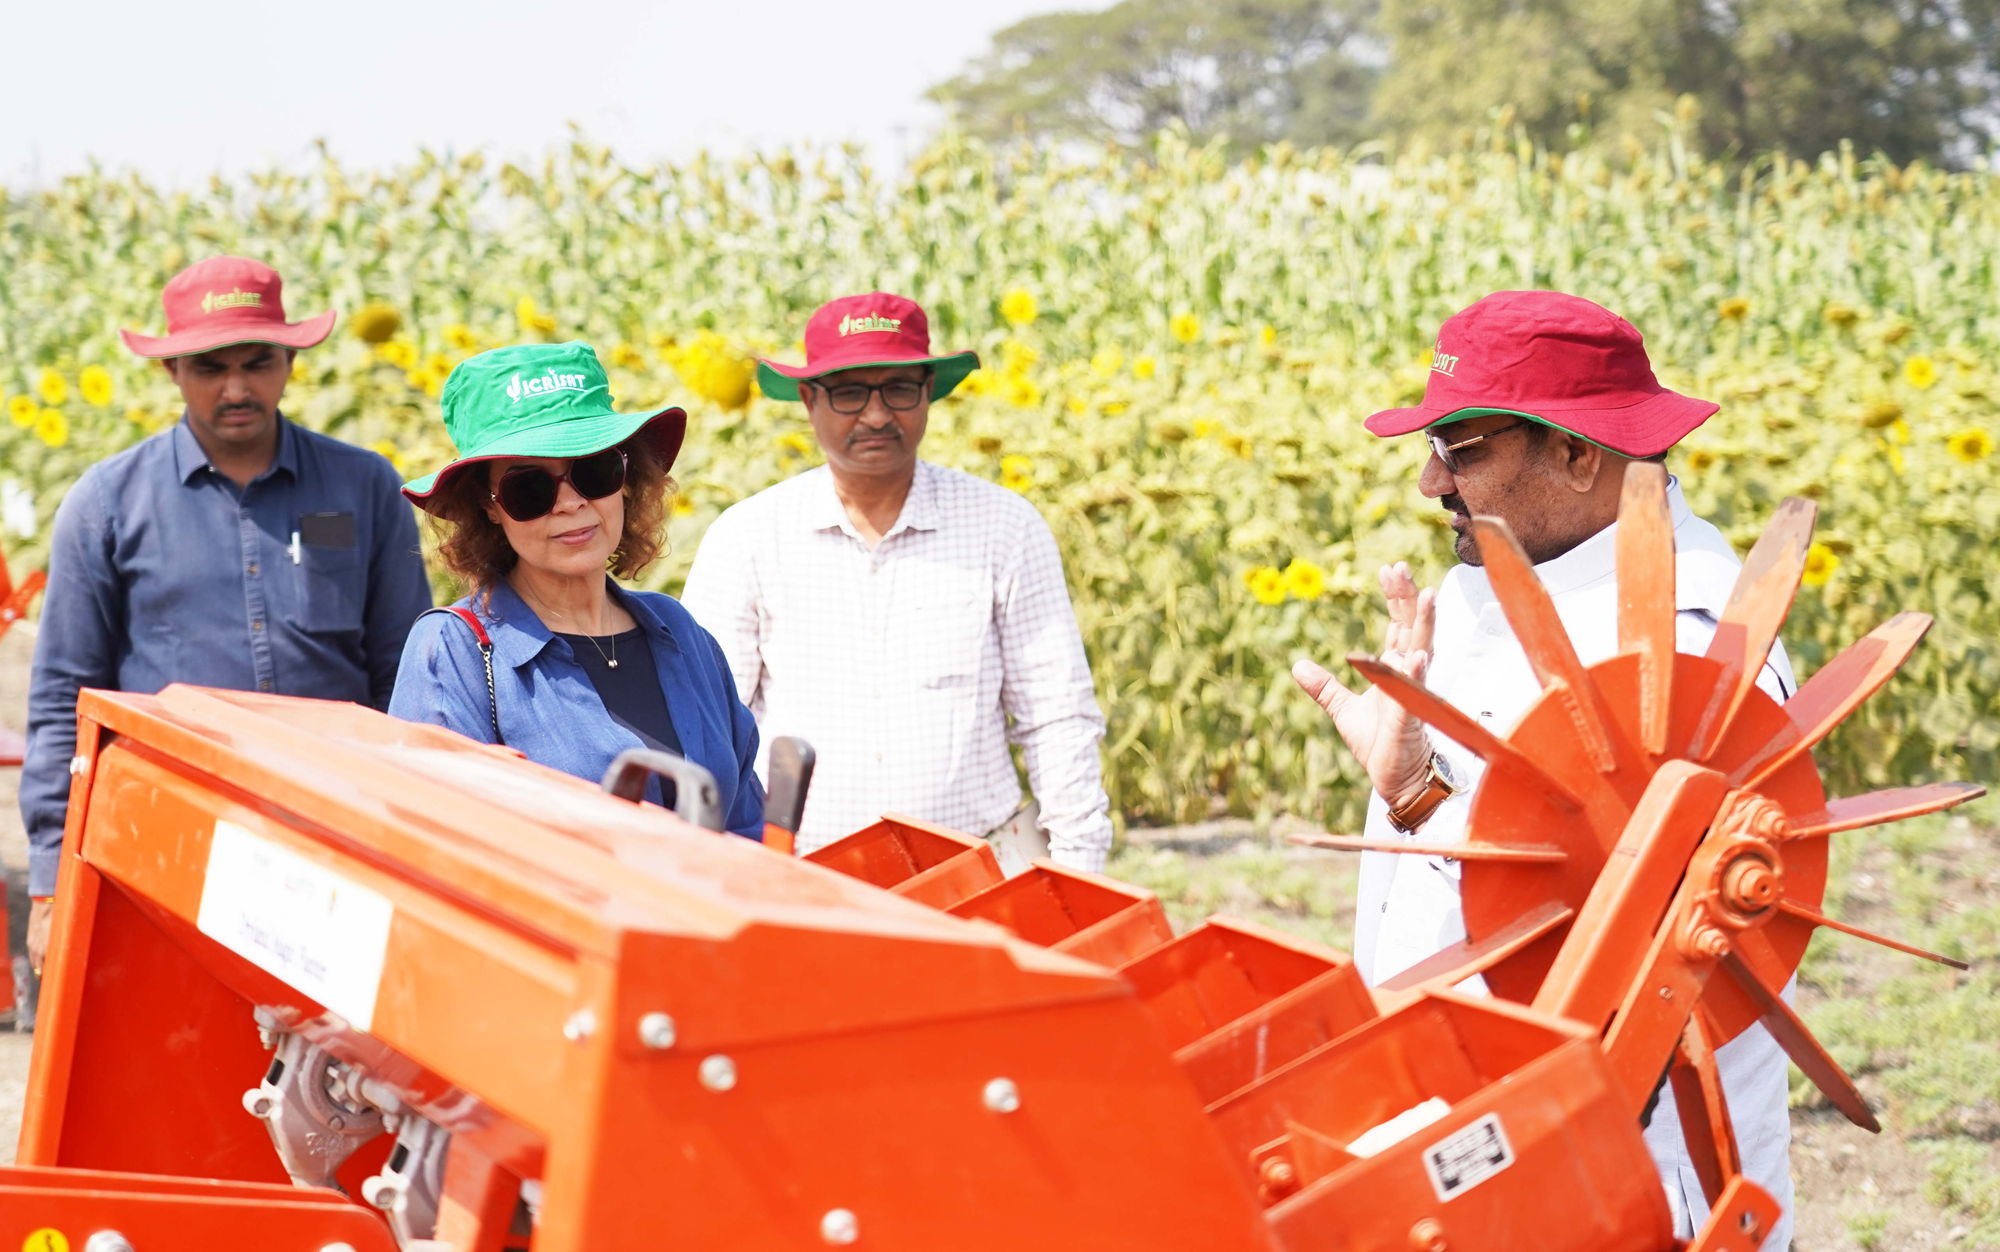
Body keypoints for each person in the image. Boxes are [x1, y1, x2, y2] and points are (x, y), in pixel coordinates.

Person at [1293, 290, 1797, 1248]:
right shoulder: (1496, 573)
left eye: (1462, 448)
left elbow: (1624, 924)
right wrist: (1408, 785)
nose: (1430, 481)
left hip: (1614, 1146)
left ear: (1578, 454)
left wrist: (1419, 798)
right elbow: (1502, 833)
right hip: (1471, 1097)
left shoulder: (1692, 645)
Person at [21, 255, 432, 974]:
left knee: (325, 1075)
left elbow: (405, 680)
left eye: (258, 362)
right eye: (211, 367)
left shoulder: (364, 485)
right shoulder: (108, 503)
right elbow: (64, 701)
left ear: (290, 362)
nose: (237, 388)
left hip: (332, 838)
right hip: (167, 839)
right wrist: (53, 887)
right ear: (173, 372)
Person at [680, 293, 1113, 869]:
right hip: (805, 868)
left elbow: (1057, 715)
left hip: (978, 864)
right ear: (809, 399)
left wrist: (1080, 866)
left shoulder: (1003, 527)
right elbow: (708, 722)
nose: (878, 415)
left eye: (899, 390)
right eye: (850, 392)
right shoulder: (750, 536)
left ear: (928, 392)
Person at [389, 341, 763, 840]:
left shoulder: (678, 631)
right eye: (531, 489)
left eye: (593, 471)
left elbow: (747, 824)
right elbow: (439, 848)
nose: (570, 503)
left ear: (626, 478)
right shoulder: (455, 652)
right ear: (488, 505)